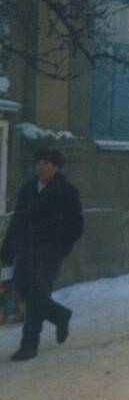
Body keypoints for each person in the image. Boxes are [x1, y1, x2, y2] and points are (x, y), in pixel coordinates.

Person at [0, 148, 83, 361]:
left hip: (49, 254)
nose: (40, 167)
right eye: (39, 163)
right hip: (26, 250)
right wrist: (7, 250)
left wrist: (61, 248)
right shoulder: (28, 188)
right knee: (24, 292)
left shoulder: (66, 191)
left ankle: (29, 345)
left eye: (46, 163)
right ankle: (60, 315)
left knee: (36, 297)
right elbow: (17, 220)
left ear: (56, 167)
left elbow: (76, 225)